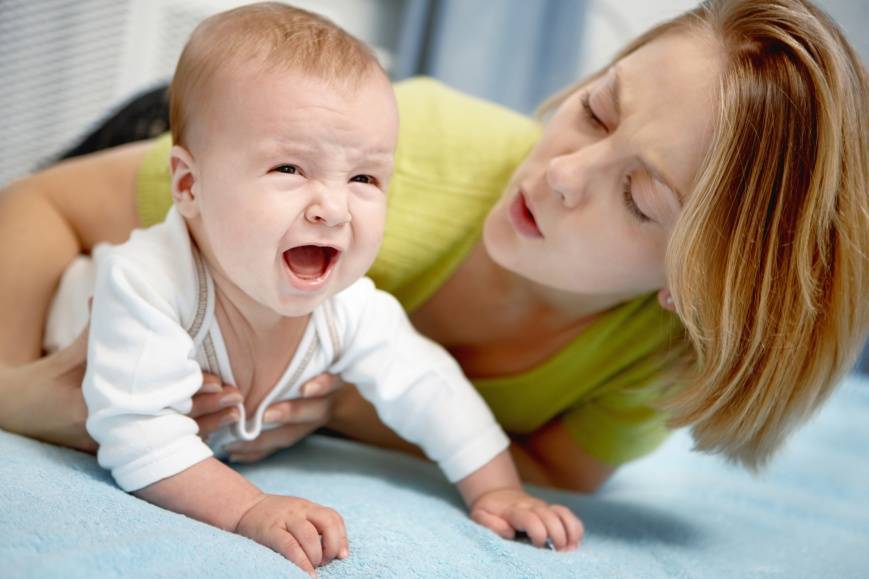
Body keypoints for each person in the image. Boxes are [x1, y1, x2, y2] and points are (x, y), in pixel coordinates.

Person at [0, 0, 866, 500]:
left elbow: (552, 468)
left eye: (640, 198)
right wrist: (17, 391)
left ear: (695, 288)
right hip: (209, 138)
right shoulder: (397, 161)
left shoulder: (657, 356)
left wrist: (340, 403)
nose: (562, 172)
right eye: (596, 109)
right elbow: (41, 204)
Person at [39, 3, 582, 575]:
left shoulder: (349, 308)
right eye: (290, 169)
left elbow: (433, 390)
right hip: (57, 321)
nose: (334, 208)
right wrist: (249, 509)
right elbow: (136, 434)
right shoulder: (148, 283)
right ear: (190, 185)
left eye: (364, 177)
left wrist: (497, 489)